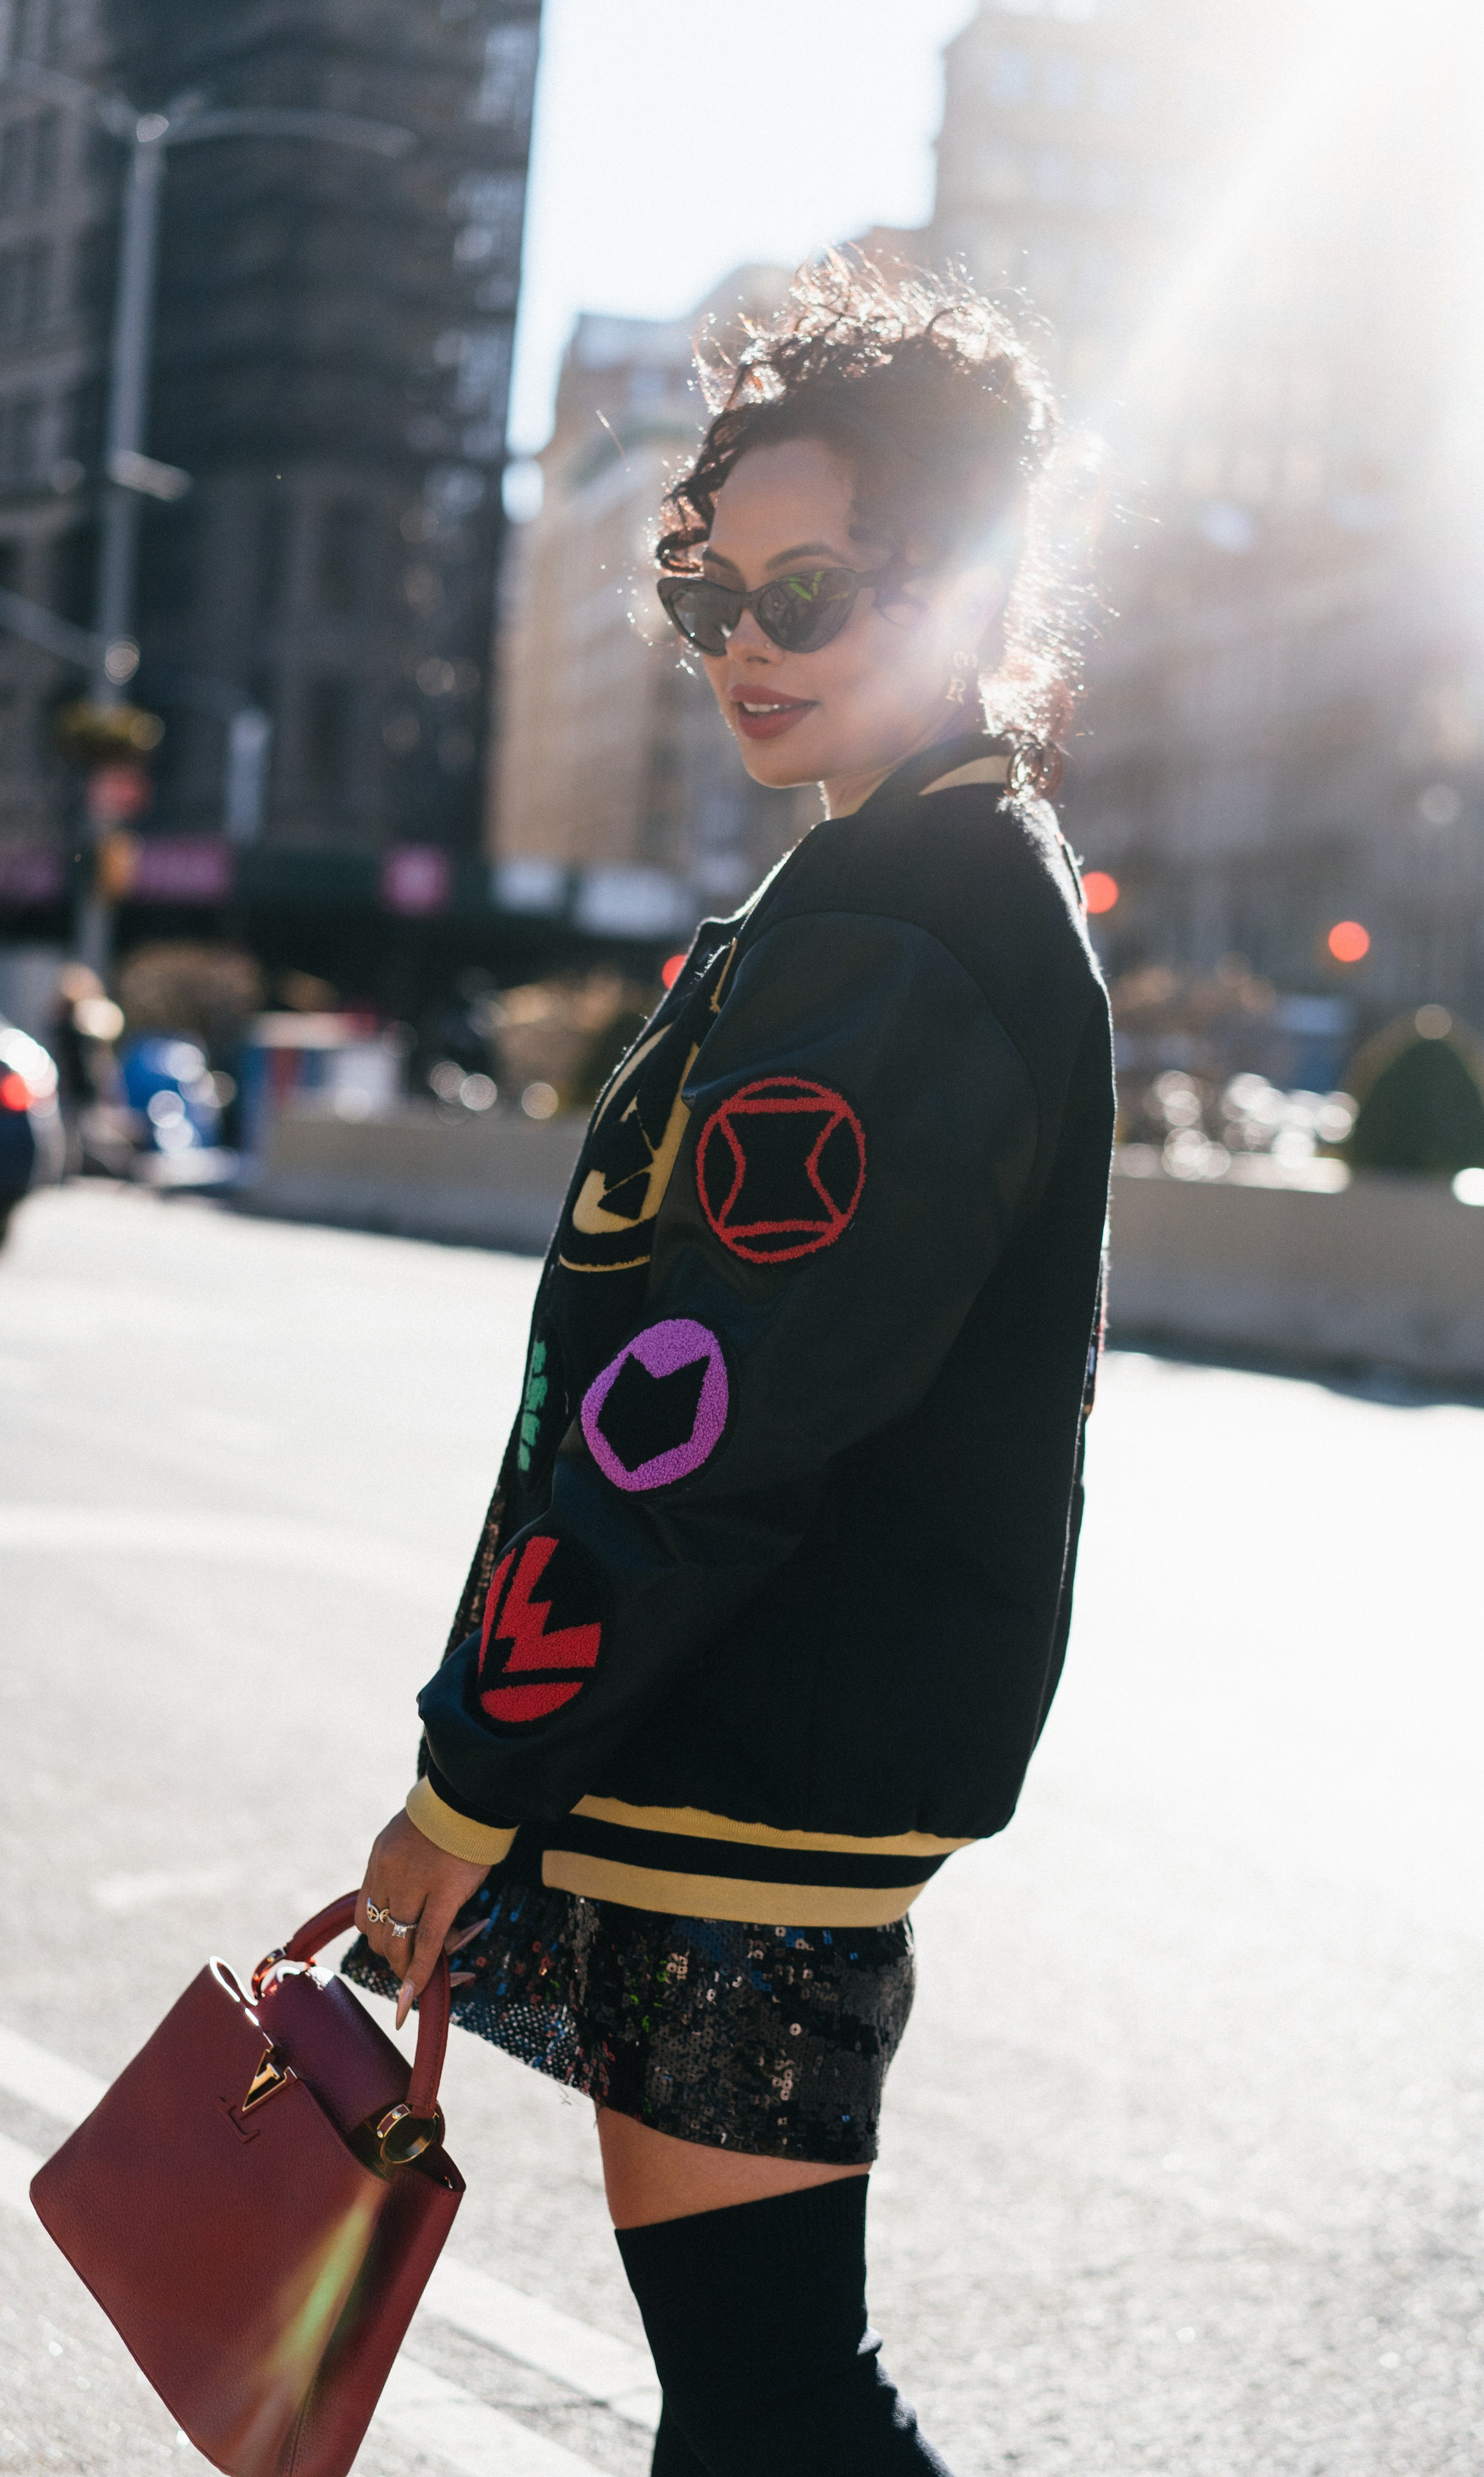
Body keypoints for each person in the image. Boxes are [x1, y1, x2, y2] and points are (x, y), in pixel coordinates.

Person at [348, 256, 1114, 2474]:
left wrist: (468, 1782)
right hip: (762, 1748)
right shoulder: (913, 878)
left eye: (813, 593)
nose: (752, 652)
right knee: (760, 2392)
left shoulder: (904, 921)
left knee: (776, 2402)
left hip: (759, 1760)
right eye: (714, 603)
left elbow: (703, 1407)